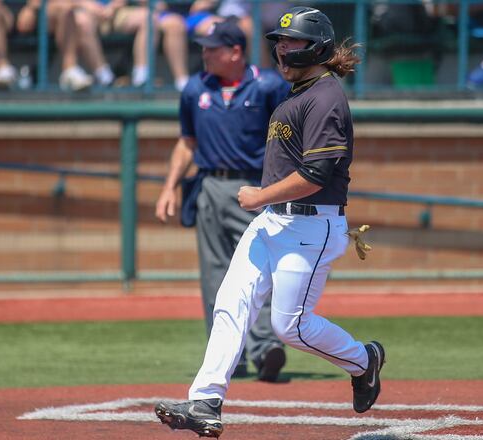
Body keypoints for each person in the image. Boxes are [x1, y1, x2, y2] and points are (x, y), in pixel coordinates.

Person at [153, 7, 384, 438]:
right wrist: (264, 205)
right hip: (273, 222)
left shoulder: (325, 97)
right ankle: (205, 400)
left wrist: (259, 196)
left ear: (315, 45)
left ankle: (363, 360)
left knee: (289, 326)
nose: (282, 49)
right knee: (231, 301)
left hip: (310, 227)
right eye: (279, 41)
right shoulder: (298, 91)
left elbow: (315, 176)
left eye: (291, 41)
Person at [154, 16, 290, 385]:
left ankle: (265, 350)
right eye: (204, 47)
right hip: (211, 186)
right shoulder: (195, 88)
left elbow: (289, 139)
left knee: (260, 269)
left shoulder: (268, 86)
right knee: (215, 275)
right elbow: (187, 142)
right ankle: (228, 355)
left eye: (213, 48)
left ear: (235, 51)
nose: (205, 54)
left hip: (255, 187)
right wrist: (169, 186)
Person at [16, 0, 113, 91]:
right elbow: (35, 4)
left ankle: (104, 76)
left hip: (73, 13)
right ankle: (70, 69)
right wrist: (83, 4)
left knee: (83, 21)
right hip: (38, 14)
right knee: (66, 10)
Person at [96, 0, 189, 90]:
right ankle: (141, 76)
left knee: (175, 25)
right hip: (125, 13)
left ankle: (182, 81)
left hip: (160, 13)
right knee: (149, 19)